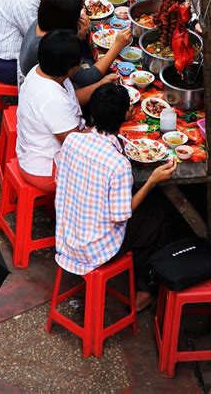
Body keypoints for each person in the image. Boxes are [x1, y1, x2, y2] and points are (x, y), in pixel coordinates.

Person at [55, 83, 177, 312]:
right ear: (125, 115)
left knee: (147, 208)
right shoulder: (118, 164)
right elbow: (121, 216)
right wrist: (152, 181)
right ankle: (145, 289)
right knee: (159, 214)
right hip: (95, 249)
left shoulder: (72, 140)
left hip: (66, 236)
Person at [19, 0, 132, 99]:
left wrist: (78, 37)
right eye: (77, 16)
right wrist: (118, 45)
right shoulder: (50, 46)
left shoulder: (44, 21)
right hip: (53, 94)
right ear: (67, 22)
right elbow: (88, 78)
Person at [16, 30, 85, 191]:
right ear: (72, 69)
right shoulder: (52, 99)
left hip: (33, 148)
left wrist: (99, 86)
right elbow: (75, 145)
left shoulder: (41, 70)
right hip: (45, 170)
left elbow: (71, 102)